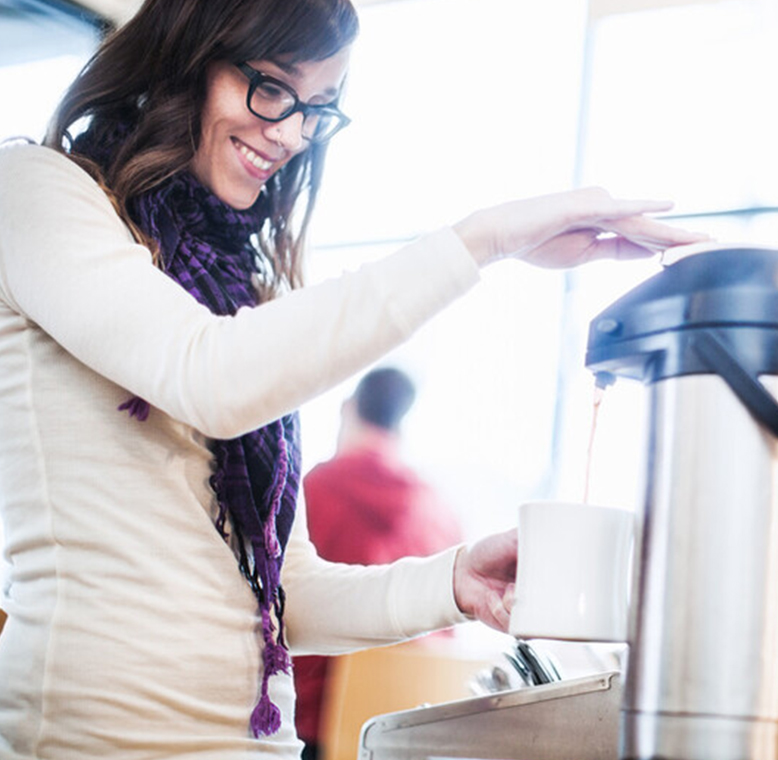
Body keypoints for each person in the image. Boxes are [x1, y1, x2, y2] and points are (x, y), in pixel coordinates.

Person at [0, 0, 708, 756]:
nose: (291, 132)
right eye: (272, 87)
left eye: (316, 109)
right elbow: (207, 377)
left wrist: (455, 582)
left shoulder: (240, 290)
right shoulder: (34, 191)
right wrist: (486, 238)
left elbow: (284, 596)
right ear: (187, 55)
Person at [293, 367, 463, 757]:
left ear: (347, 410)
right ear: (401, 427)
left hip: (318, 734)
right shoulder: (441, 511)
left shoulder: (311, 493)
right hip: (416, 737)